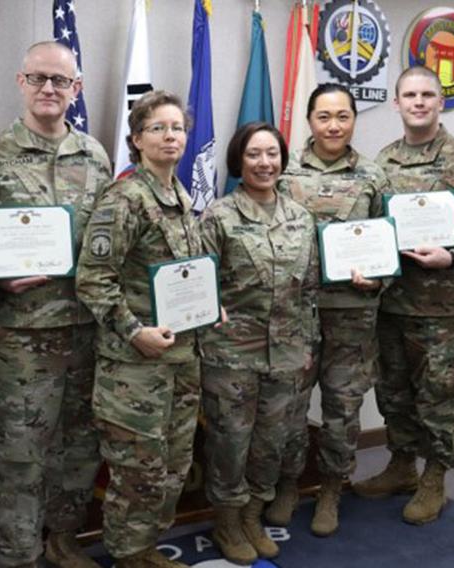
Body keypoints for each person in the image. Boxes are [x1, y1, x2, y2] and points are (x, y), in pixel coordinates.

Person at [0, 42, 110, 568]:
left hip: (86, 330)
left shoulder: (95, 156)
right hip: (23, 339)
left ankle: (64, 539)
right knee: (21, 453)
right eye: (39, 78)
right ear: (21, 82)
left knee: (80, 446)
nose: (49, 89)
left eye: (60, 81)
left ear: (76, 89)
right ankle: (19, 553)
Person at [352, 66, 454, 525]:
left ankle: (434, 475)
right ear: (396, 103)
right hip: (390, 301)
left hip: (442, 306)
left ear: (441, 101)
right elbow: (375, 226)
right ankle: (401, 465)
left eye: (427, 95)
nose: (419, 102)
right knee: (393, 391)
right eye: (410, 95)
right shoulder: (383, 161)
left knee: (437, 395)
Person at [75, 90, 201, 568]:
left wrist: (208, 309)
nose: (170, 136)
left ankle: (146, 550)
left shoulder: (179, 195)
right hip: (135, 367)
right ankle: (129, 555)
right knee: (137, 473)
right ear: (136, 139)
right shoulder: (125, 198)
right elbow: (93, 278)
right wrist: (132, 332)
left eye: (177, 128)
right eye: (158, 128)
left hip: (180, 360)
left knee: (173, 466)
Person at [200, 122, 319, 564]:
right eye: (253, 154)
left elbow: (309, 288)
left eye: (272, 153)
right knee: (231, 443)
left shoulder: (301, 217)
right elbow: (198, 283)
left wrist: (307, 344)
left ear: (283, 159)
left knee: (273, 441)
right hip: (231, 353)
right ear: (238, 160)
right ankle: (228, 522)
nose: (264, 163)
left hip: (287, 351)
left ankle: (253, 514)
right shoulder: (219, 216)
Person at [273, 83, 387, 536]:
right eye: (324, 116)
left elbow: (388, 242)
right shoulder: (283, 173)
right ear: (309, 120)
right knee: (291, 407)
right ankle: (287, 485)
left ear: (354, 120)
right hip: (295, 315)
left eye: (342, 116)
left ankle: (331, 490)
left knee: (342, 408)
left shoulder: (374, 177)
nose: (333, 125)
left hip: (351, 313)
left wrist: (380, 276)